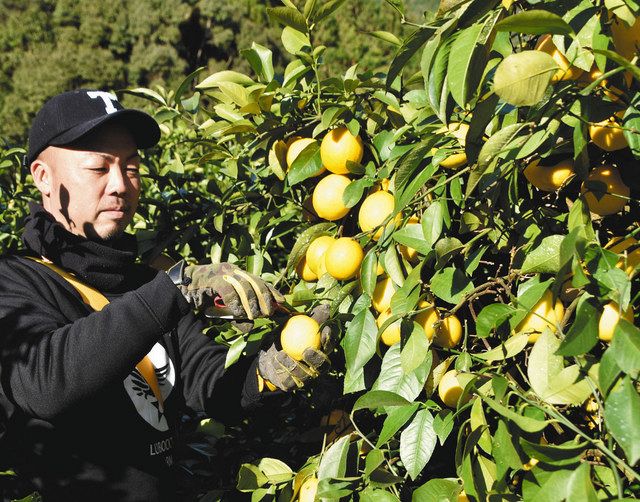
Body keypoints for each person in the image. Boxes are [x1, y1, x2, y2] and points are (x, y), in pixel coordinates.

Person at [0, 89, 331, 501]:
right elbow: (45, 384)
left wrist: (270, 371)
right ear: (43, 178)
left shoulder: (144, 283)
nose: (121, 185)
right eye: (98, 168)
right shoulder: (14, 282)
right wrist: (177, 288)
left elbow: (207, 382)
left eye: (132, 168)